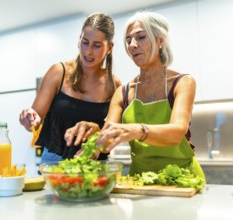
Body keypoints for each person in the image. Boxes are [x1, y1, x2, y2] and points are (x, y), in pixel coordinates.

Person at [65, 11, 205, 180]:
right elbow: (107, 140)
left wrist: (137, 130)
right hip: (140, 180)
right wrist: (93, 142)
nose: (132, 45)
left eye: (140, 37)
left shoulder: (182, 82)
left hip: (183, 179)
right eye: (128, 39)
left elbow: (176, 133)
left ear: (160, 40)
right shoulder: (123, 92)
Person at [19, 12, 121, 163]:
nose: (88, 51)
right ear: (79, 40)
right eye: (85, 42)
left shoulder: (114, 85)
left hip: (94, 161)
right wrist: (29, 119)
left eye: (97, 46)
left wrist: (96, 147)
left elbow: (112, 132)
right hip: (54, 160)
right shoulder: (58, 72)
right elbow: (34, 122)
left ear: (109, 48)